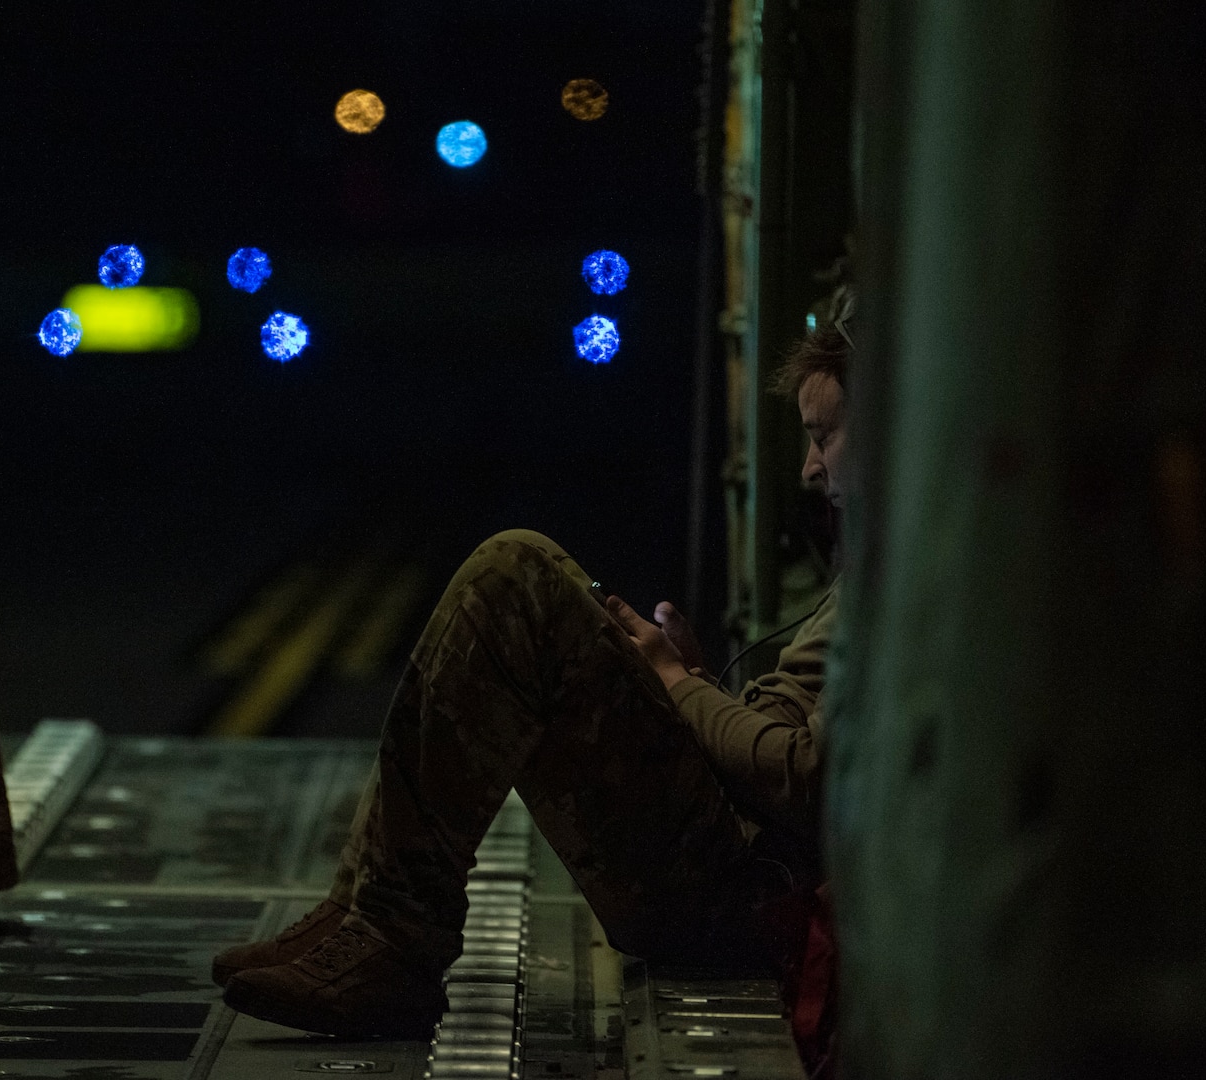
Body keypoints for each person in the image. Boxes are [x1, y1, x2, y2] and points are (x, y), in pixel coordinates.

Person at [213, 292, 853, 1043]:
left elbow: (814, 778)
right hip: (738, 852)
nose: (810, 468)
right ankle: (362, 909)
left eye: (824, 436)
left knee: (519, 572)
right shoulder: (886, 566)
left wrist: (675, 688)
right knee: (519, 572)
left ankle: (392, 935)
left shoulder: (913, 579)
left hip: (748, 889)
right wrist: (698, 687)